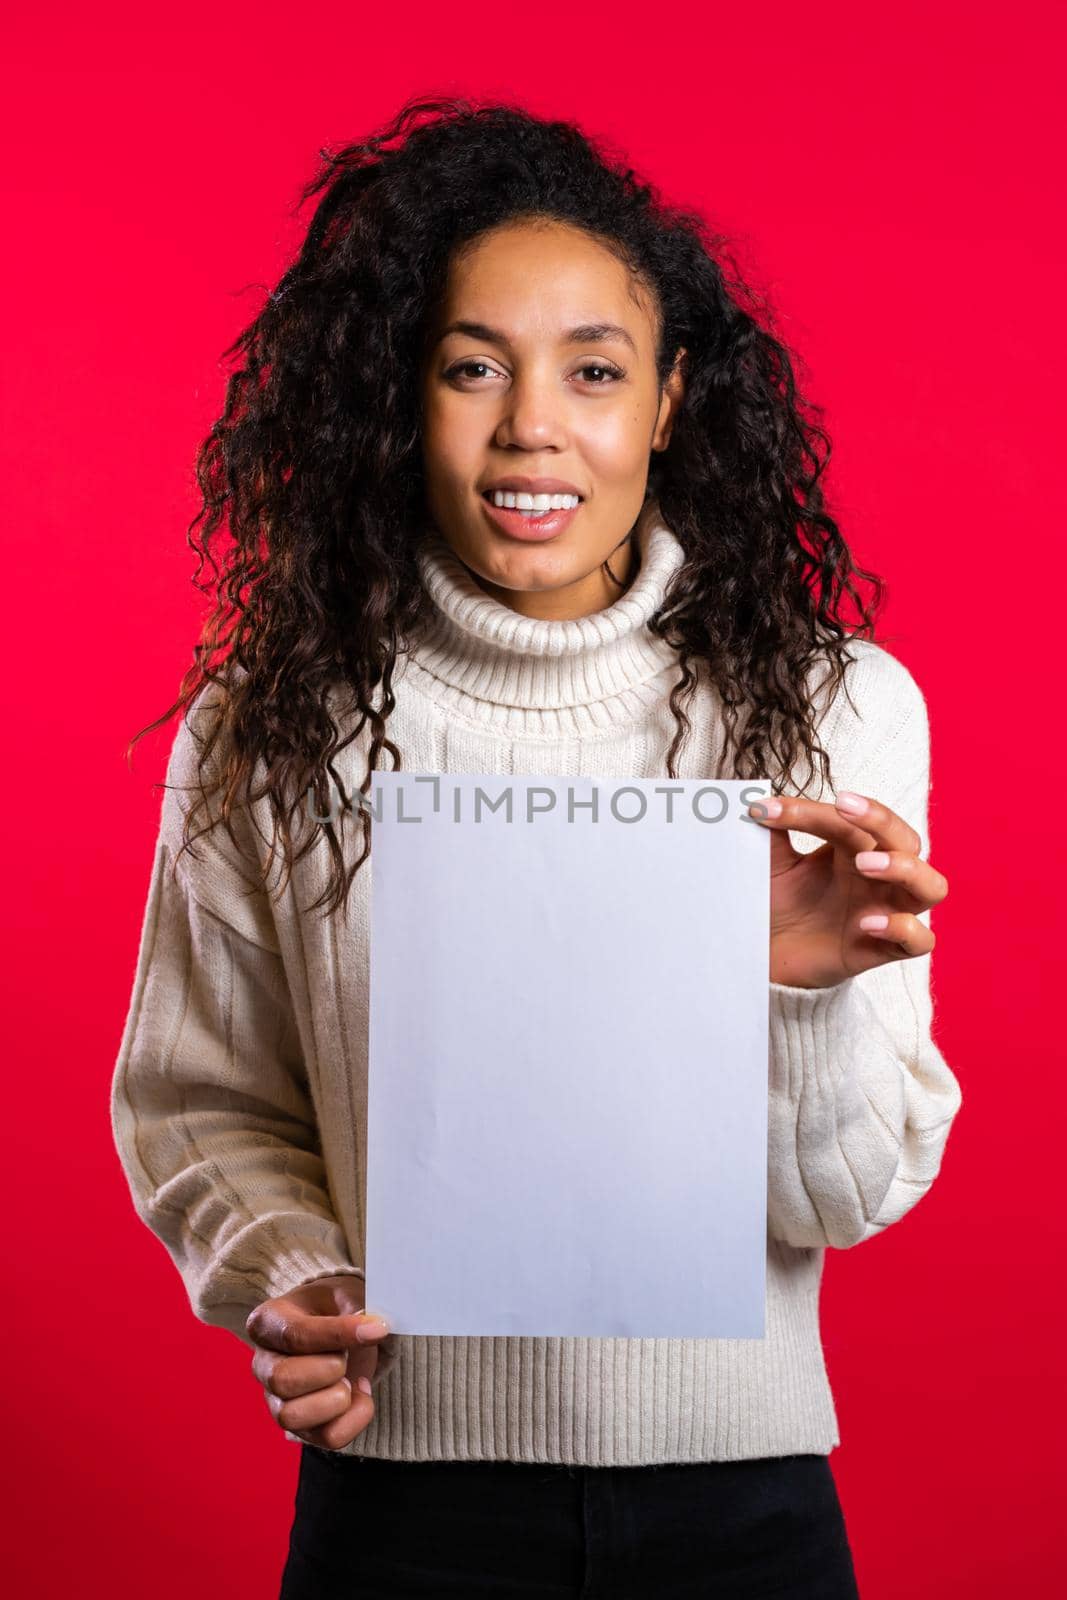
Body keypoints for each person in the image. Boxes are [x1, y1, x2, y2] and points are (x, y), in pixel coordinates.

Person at [110, 93, 964, 1598]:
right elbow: (201, 1099)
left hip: (740, 1508)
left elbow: (841, 1202)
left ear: (670, 398)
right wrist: (289, 1278)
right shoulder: (271, 726)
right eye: (470, 368)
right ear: (401, 395)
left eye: (593, 370)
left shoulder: (834, 707)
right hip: (404, 1514)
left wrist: (799, 996)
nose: (531, 428)